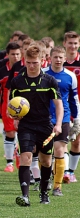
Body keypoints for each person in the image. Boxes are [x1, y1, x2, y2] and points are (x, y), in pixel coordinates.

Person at [10, 44, 63, 206]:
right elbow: (12, 104)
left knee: (46, 161)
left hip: (45, 125)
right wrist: (14, 116)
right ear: (25, 62)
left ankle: (44, 193)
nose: (32, 66)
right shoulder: (17, 81)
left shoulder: (49, 81)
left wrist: (58, 124)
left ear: (42, 61)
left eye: (35, 63)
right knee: (25, 157)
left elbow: (58, 104)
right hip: (26, 125)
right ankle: (25, 196)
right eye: (29, 63)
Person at [43, 46, 80, 196]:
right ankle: (45, 180)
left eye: (60, 57)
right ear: (50, 58)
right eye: (55, 57)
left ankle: (57, 187)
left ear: (65, 59)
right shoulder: (43, 74)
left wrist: (76, 119)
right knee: (45, 154)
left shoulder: (70, 76)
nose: (58, 60)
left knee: (59, 150)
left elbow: (74, 100)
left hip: (63, 119)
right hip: (44, 119)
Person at [0, 42, 21, 172]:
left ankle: (21, 156)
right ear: (7, 55)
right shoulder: (2, 70)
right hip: (7, 106)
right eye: (13, 54)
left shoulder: (26, 69)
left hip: (25, 106)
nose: (15, 56)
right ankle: (10, 163)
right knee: (10, 132)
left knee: (24, 133)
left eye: (18, 54)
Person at [63, 31, 80, 183]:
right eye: (70, 43)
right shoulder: (59, 62)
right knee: (62, 140)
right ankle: (63, 171)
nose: (73, 46)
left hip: (78, 108)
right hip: (62, 107)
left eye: (75, 43)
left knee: (76, 141)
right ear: (64, 44)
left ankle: (70, 172)